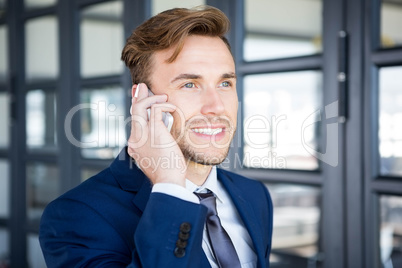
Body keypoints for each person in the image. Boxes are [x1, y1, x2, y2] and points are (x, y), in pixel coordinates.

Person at [39, 6, 273, 268]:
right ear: (143, 101)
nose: (216, 106)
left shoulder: (254, 195)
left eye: (225, 83)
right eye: (189, 84)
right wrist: (171, 185)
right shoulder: (75, 215)